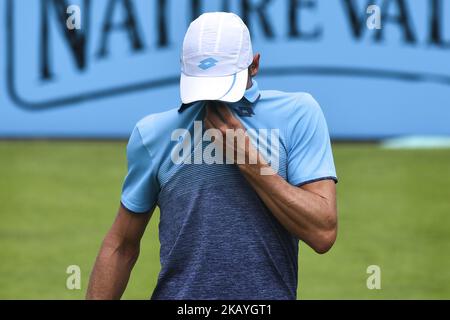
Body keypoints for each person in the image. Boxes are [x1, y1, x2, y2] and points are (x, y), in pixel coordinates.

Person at [87, 12, 338, 300]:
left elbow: (323, 232)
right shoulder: (151, 134)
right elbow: (121, 245)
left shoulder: (299, 114)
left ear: (254, 65)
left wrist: (250, 162)